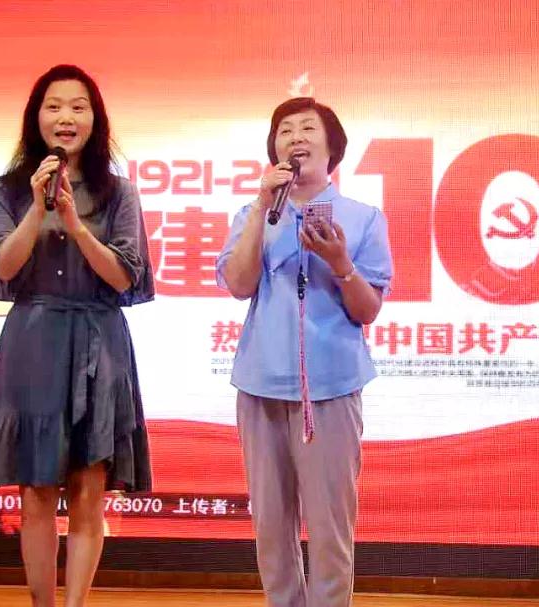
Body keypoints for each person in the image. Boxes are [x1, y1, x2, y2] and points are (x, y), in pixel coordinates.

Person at [0, 64, 154, 607]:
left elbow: (125, 277)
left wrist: (76, 224)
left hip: (99, 339)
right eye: (53, 106)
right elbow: (3, 269)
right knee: (35, 491)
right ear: (37, 118)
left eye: (78, 106)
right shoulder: (8, 189)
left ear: (95, 120)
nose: (65, 117)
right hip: (33, 342)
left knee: (87, 491)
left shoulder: (119, 192)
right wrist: (38, 209)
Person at [216, 97, 393, 607]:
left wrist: (340, 263)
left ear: (332, 146)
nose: (296, 138)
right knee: (271, 528)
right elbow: (238, 284)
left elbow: (367, 310)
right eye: (285, 130)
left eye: (308, 129)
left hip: (331, 390)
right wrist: (260, 208)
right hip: (261, 386)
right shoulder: (254, 214)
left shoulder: (363, 218)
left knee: (330, 527)